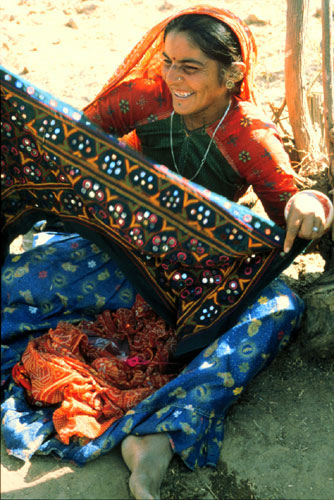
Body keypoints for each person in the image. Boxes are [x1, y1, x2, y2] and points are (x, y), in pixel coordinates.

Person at [1, 5, 333, 500]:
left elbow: (293, 212)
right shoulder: (144, 98)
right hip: (119, 253)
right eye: (168, 61)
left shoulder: (250, 137)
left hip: (198, 278)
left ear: (232, 75)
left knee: (280, 309)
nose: (174, 77)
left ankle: (157, 436)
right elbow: (72, 145)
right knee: (14, 287)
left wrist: (313, 202)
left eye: (190, 66)